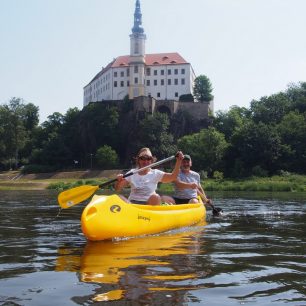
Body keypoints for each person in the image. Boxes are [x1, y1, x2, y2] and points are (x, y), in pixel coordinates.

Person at [115, 147, 184, 205]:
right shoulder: (132, 173)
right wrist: (119, 181)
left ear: (151, 160)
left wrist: (179, 161)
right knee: (119, 197)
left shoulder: (156, 173)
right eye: (142, 158)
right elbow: (118, 189)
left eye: (148, 158)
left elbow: (173, 177)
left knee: (156, 197)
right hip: (132, 204)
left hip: (149, 204)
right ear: (138, 160)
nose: (145, 161)